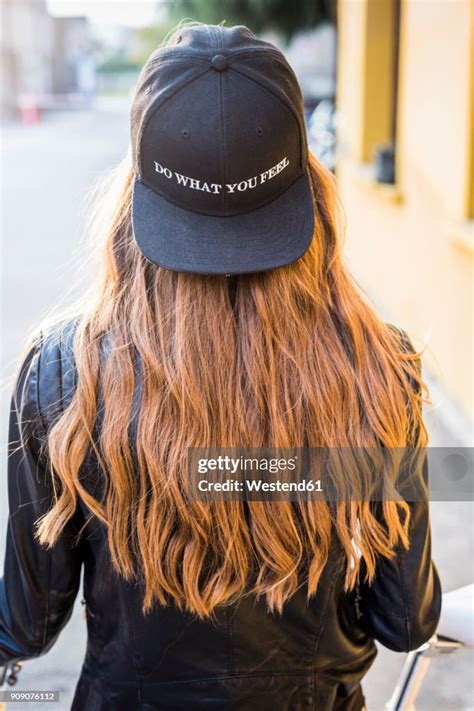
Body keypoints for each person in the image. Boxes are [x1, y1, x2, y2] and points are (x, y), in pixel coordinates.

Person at [0, 23, 441, 711]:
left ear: (136, 193)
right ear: (309, 187)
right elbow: (405, 622)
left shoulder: (63, 375)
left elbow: (25, 625)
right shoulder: (383, 368)